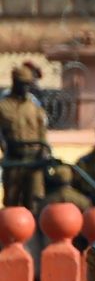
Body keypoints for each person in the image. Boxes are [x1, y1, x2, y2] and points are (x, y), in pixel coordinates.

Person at [0, 61, 49, 211]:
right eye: (23, 84)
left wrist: (43, 152)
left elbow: (42, 130)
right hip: (14, 158)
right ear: (15, 82)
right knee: (12, 201)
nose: (26, 88)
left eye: (28, 84)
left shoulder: (34, 106)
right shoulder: (3, 106)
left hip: (34, 159)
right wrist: (5, 148)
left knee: (34, 200)